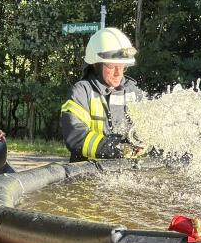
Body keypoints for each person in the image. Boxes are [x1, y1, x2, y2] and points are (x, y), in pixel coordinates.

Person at [60, 27, 147, 161]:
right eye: (112, 66)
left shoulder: (133, 93)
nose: (119, 73)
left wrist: (143, 142)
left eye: (123, 66)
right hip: (88, 176)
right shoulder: (81, 93)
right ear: (96, 64)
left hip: (125, 176)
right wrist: (115, 148)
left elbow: (150, 128)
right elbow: (75, 136)